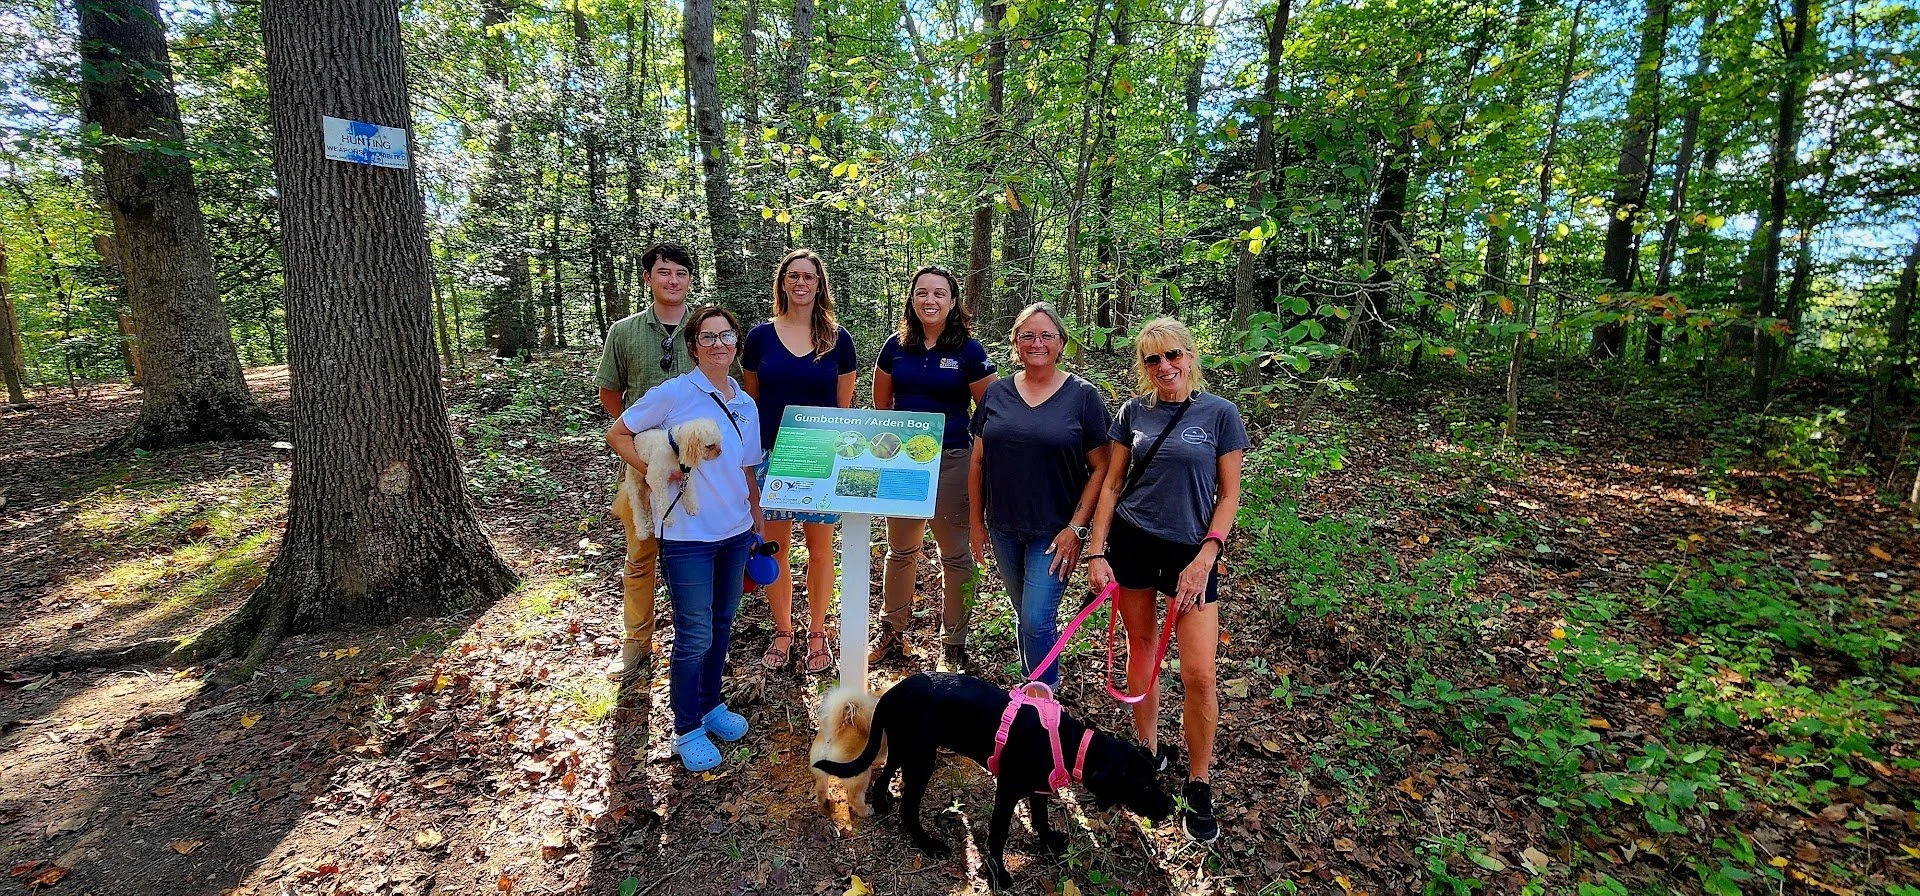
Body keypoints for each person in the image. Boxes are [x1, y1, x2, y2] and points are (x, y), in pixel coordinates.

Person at [1086, 317, 1246, 844]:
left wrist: (1208, 554)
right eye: (1153, 359)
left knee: (1199, 674)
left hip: (1192, 551)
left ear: (1191, 355)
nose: (1165, 367)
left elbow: (1227, 496)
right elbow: (1112, 484)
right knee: (1143, 647)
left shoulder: (1220, 414)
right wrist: (1096, 548)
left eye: (1173, 355)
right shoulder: (1134, 412)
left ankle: (1199, 782)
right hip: (1134, 540)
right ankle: (1149, 750)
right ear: (1143, 366)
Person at [606, 306, 765, 772]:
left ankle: (711, 705)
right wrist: (658, 472)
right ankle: (686, 727)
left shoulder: (744, 402)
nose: (719, 344)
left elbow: (746, 465)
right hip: (687, 533)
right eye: (708, 337)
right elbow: (619, 434)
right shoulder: (674, 393)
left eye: (727, 336)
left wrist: (756, 517)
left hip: (735, 531)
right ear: (693, 346)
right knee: (693, 633)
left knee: (721, 624)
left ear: (736, 344)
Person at [968, 303, 1110, 688]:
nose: (1037, 343)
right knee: (1025, 613)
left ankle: (1042, 707)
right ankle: (1034, 686)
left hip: (1055, 530)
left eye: (1047, 335)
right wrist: (976, 524)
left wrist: (1077, 529)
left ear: (1061, 343)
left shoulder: (1083, 397)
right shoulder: (996, 394)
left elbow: (1103, 466)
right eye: (1028, 335)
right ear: (1015, 342)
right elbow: (978, 462)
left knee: (1036, 618)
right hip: (1003, 527)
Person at [870, 265, 997, 670]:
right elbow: (882, 405)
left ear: (953, 301)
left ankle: (954, 643)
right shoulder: (895, 347)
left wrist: (979, 458)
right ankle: (892, 630)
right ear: (911, 298)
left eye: (940, 293)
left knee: (955, 554)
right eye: (922, 292)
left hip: (953, 459)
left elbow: (990, 410)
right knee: (900, 550)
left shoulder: (969, 351)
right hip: (904, 463)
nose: (930, 300)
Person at [742, 248, 858, 675]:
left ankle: (816, 631)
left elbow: (843, 406)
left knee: (820, 547)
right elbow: (751, 400)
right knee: (777, 546)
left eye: (809, 276)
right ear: (783, 282)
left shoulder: (837, 338)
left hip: (820, 456)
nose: (801, 283)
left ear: (819, 283)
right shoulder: (759, 338)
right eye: (793, 276)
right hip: (772, 454)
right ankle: (783, 630)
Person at [595, 243, 696, 679]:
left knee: (694, 552)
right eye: (664, 272)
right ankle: (636, 643)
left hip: (696, 466)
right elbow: (610, 393)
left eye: (680, 273)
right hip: (640, 461)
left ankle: (695, 645)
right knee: (641, 553)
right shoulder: (624, 332)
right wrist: (636, 446)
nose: (672, 280)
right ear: (648, 278)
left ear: (690, 279)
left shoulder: (704, 328)